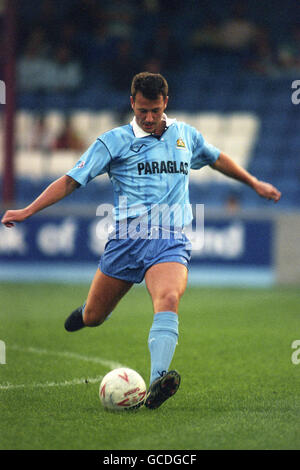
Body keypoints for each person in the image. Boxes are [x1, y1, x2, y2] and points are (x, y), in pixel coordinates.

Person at [1, 72, 281, 410]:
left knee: (168, 297)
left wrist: (253, 183)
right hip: (127, 240)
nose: (149, 118)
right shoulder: (113, 142)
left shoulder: (184, 136)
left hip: (170, 239)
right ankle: (86, 314)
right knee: (94, 316)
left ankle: (158, 382)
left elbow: (217, 158)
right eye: (142, 111)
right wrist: (28, 210)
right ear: (132, 103)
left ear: (166, 102)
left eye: (155, 110)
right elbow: (72, 180)